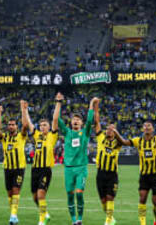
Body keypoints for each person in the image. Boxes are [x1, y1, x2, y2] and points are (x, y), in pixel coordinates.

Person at [119, 117, 156, 225]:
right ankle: (142, 223)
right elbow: (124, 142)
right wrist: (116, 133)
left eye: (149, 126)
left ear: (152, 129)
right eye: (145, 126)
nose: (147, 127)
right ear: (142, 129)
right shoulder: (138, 141)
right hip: (144, 175)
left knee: (155, 200)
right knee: (142, 197)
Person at [55, 92, 98, 225]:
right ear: (71, 122)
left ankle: (80, 218)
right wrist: (58, 102)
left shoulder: (84, 133)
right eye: (74, 119)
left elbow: (90, 120)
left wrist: (91, 104)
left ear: (81, 123)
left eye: (78, 119)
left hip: (81, 168)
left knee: (79, 194)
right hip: (68, 169)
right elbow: (56, 119)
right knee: (70, 195)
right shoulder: (67, 132)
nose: (76, 121)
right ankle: (74, 220)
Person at [20, 99, 58, 225]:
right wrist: (25, 109)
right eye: (41, 125)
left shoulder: (52, 136)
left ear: (49, 127)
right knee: (35, 197)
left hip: (45, 170)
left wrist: (58, 102)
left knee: (41, 195)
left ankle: (42, 220)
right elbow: (29, 123)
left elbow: (55, 120)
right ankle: (45, 213)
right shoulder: (37, 135)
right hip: (35, 169)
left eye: (45, 125)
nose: (42, 127)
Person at [0, 101, 28, 225]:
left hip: (19, 168)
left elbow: (25, 125)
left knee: (15, 190)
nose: (11, 126)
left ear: (16, 126)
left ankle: (12, 216)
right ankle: (14, 214)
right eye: (9, 125)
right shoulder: (5, 138)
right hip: (7, 168)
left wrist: (23, 110)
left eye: (13, 125)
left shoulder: (21, 136)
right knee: (9, 193)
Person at [92, 99, 123, 225]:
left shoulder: (117, 143)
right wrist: (96, 106)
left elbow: (123, 140)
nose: (109, 130)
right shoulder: (101, 138)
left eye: (112, 129)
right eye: (108, 129)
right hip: (100, 173)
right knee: (103, 200)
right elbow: (97, 122)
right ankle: (110, 218)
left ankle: (108, 220)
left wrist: (116, 131)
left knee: (110, 197)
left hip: (112, 175)